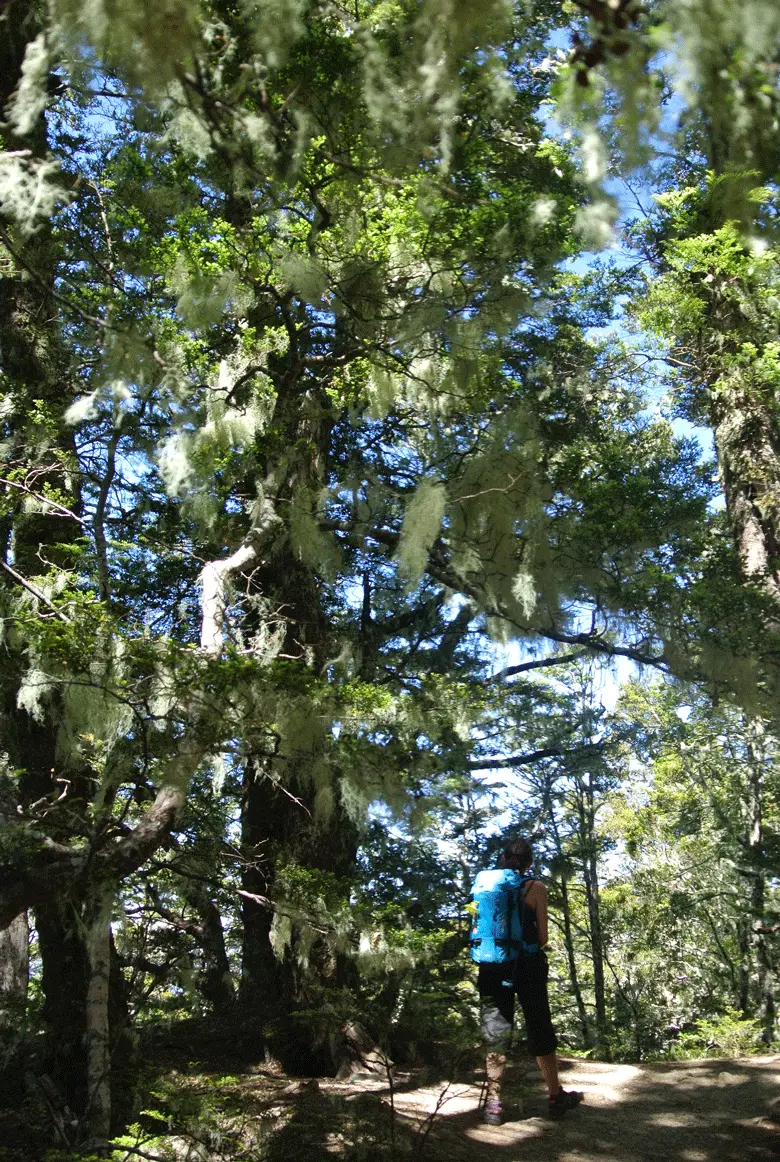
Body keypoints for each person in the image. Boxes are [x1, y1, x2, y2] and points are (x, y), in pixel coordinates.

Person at [477, 836, 583, 1124]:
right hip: (527, 966)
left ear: (502, 860)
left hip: (491, 967)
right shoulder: (535, 888)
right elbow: (543, 937)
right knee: (539, 1025)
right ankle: (555, 1095)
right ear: (529, 862)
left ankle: (494, 1105)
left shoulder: (486, 886)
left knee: (496, 1033)